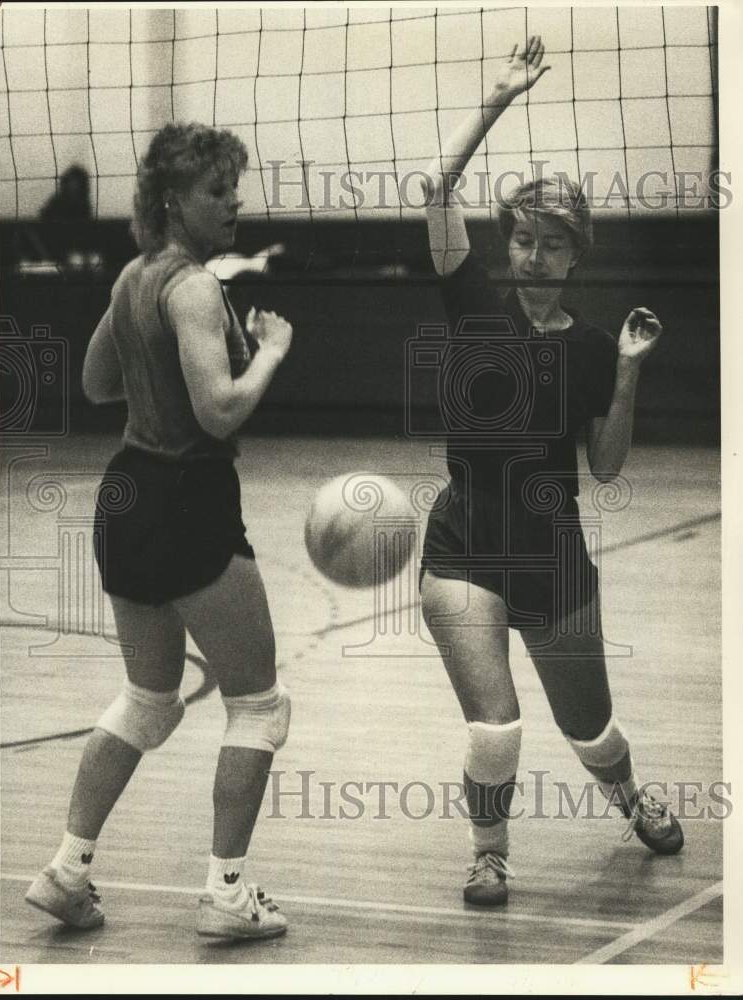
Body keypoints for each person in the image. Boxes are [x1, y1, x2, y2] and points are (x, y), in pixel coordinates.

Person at [418, 36, 684, 906]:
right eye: (523, 240)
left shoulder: (598, 345)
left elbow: (605, 466)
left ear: (576, 257)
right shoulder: (473, 306)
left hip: (553, 553)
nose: (533, 255)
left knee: (590, 728)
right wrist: (499, 95)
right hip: (463, 546)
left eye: (550, 245)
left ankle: (630, 800)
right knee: (497, 730)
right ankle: (488, 852)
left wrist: (632, 368)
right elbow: (436, 187)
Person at [25, 123, 293, 940]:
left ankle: (67, 871)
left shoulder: (134, 278)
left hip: (127, 494)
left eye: (235, 187)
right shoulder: (192, 290)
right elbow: (219, 409)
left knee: (149, 699)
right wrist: (272, 351)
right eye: (219, 190)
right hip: (187, 497)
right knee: (260, 708)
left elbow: (97, 384)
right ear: (174, 201)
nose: (235, 201)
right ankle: (226, 892)